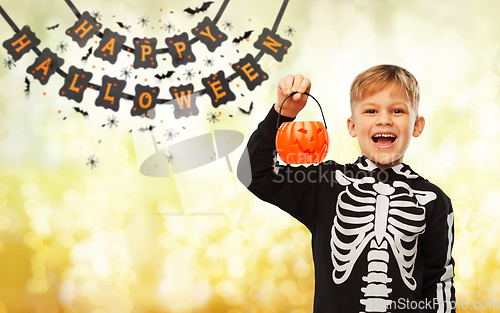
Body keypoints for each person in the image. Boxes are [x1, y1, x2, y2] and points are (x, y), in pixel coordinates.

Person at [237, 65, 455, 312]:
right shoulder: (326, 183)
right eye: (371, 110)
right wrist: (282, 114)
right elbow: (254, 173)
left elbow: (439, 284)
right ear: (352, 126)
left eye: (397, 110)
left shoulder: (433, 200)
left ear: (417, 125)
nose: (384, 119)